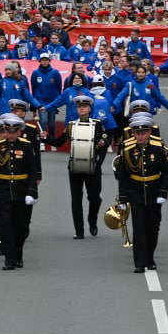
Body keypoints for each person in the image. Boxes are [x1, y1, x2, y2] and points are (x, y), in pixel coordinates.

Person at [114, 112, 168, 273]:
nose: (140, 136)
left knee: (153, 227)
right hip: (136, 191)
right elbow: (123, 174)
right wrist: (123, 198)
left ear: (149, 132)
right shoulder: (127, 148)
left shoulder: (158, 146)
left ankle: (150, 258)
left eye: (143, 132)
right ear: (133, 133)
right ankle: (139, 262)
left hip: (154, 191)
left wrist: (163, 192)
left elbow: (166, 170)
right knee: (139, 228)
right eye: (137, 133)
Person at [46, 95, 109, 239]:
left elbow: (107, 138)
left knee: (95, 198)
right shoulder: (71, 125)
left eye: (85, 106)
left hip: (92, 166)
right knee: (76, 199)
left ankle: (92, 220)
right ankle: (79, 231)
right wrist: (45, 138)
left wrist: (102, 144)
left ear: (90, 109)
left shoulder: (97, 124)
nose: (82, 108)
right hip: (75, 166)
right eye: (79, 107)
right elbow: (58, 142)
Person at [0, 113, 38, 270]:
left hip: (22, 191)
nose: (11, 135)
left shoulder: (27, 146)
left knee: (21, 226)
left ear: (19, 132)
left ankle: (18, 255)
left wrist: (32, 192)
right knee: (6, 225)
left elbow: (32, 170)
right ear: (5, 131)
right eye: (9, 132)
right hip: (3, 190)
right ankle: (9, 259)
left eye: (15, 132)